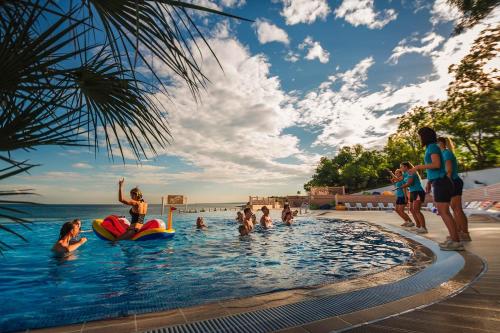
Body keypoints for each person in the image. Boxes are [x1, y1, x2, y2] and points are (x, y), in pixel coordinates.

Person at [411, 127, 463, 251]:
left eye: (419, 136)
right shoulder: (431, 147)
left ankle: (456, 242)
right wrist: (429, 182)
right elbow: (435, 167)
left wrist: (418, 167)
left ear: (425, 136)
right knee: (444, 212)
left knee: (444, 212)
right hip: (438, 181)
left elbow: (437, 164)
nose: (419, 138)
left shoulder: (433, 147)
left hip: (441, 182)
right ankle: (454, 239)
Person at [437, 136, 471, 241]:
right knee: (455, 209)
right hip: (452, 182)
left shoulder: (446, 153)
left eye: (436, 143)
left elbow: (449, 171)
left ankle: (465, 233)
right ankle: (460, 232)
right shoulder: (442, 154)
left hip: (453, 182)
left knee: (457, 209)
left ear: (441, 143)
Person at [398, 162, 427, 234]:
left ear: (406, 167)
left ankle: (423, 228)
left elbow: (409, 183)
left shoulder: (411, 172)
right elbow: (400, 179)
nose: (401, 169)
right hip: (412, 192)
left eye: (401, 167)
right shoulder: (405, 174)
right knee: (411, 209)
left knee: (416, 210)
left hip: (418, 192)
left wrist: (402, 187)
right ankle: (418, 226)